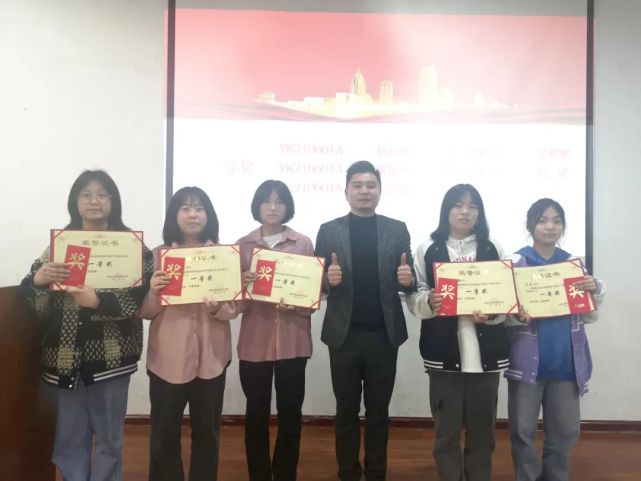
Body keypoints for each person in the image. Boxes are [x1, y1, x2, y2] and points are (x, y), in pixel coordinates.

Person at [20, 169, 153, 481]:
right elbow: (35, 306)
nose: (94, 201)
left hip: (113, 357)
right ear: (75, 201)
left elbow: (139, 300)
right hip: (64, 357)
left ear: (113, 201)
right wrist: (38, 281)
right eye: (86, 194)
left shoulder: (132, 247)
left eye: (102, 194)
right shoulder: (59, 245)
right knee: (69, 439)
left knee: (109, 439)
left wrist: (98, 301)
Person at [314, 160, 415, 481]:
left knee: (378, 413)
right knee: (345, 411)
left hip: (384, 336)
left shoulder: (396, 229)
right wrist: (327, 280)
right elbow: (316, 283)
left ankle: (376, 473)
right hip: (343, 336)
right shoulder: (329, 230)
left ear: (380, 191)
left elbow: (408, 278)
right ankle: (347, 473)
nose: (364, 191)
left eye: (371, 185)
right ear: (346, 191)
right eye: (357, 185)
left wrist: (407, 280)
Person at [407, 183, 508, 481]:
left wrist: (492, 313)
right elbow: (415, 294)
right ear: (446, 210)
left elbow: (506, 295)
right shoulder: (428, 247)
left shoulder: (493, 247)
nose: (465, 212)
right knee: (446, 433)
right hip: (443, 353)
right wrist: (430, 302)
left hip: (486, 356)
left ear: (480, 212)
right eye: (458, 205)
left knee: (483, 434)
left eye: (472, 206)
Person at [140, 186, 237, 481]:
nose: (193, 214)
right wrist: (154, 292)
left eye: (199, 208)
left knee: (207, 434)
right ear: (174, 215)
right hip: (167, 359)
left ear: (208, 215)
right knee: (163, 435)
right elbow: (144, 312)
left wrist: (217, 308)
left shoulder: (223, 256)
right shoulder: (157, 256)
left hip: (211, 359)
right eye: (185, 208)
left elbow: (236, 307)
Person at [505, 198, 605, 481]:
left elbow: (589, 316)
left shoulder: (573, 264)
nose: (550, 227)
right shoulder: (515, 263)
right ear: (530, 225)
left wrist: (595, 289)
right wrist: (516, 314)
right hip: (527, 363)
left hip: (565, 361)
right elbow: (503, 316)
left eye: (557, 221)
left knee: (564, 433)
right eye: (542, 220)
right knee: (522, 431)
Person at [236, 180, 315, 481]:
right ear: (257, 206)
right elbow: (234, 302)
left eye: (279, 201)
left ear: (287, 207)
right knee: (256, 416)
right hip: (254, 343)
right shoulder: (243, 245)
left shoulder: (303, 244)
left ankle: (284, 474)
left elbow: (311, 299)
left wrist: (296, 303)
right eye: (266, 201)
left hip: (293, 343)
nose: (272, 207)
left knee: (290, 416)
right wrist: (242, 286)